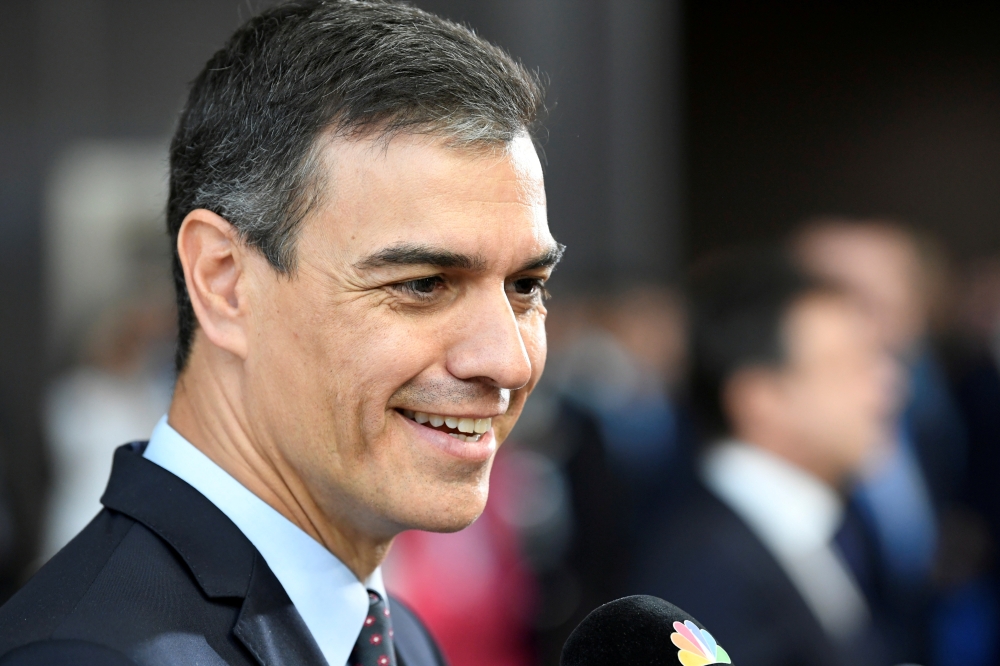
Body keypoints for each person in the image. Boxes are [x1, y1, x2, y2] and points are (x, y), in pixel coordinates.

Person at [0, 2, 560, 665]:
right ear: (224, 281)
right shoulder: (87, 655)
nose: (507, 360)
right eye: (422, 284)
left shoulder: (393, 637)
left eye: (525, 286)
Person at [633, 248, 898, 666]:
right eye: (851, 365)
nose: (887, 386)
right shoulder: (702, 572)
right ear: (760, 399)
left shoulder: (830, 526)